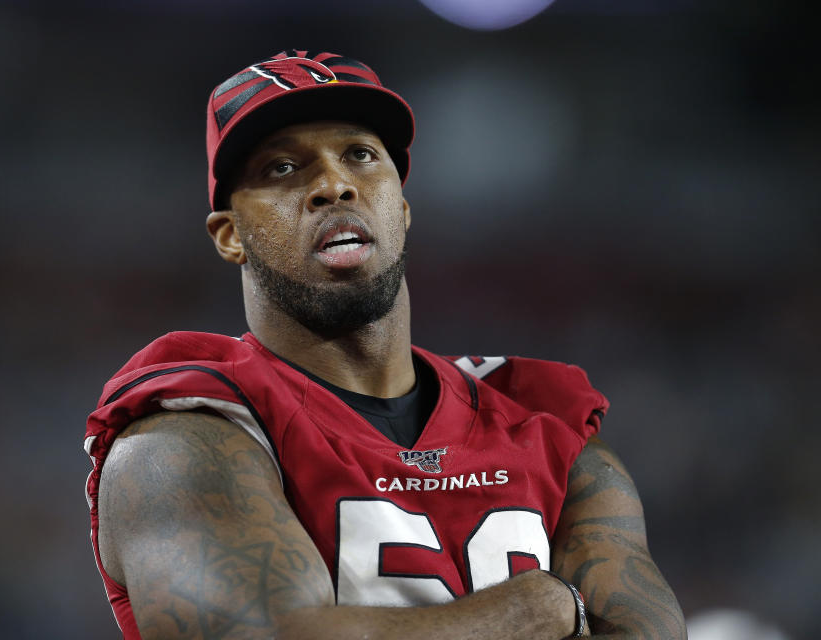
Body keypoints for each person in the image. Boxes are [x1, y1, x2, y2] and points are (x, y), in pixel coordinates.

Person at [83, 50, 687, 640]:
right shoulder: (183, 437)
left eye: (360, 155)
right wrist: (532, 611)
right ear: (230, 236)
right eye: (283, 169)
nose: (334, 185)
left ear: (398, 208)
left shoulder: (545, 421)